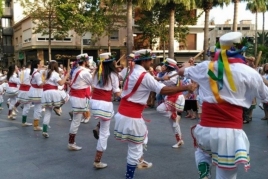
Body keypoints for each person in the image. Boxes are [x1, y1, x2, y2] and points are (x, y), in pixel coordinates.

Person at [178, 32, 268, 179]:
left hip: (205, 129)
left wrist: (189, 63)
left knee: (202, 151)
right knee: (226, 173)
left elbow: (181, 71)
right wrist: (261, 81)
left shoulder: (206, 66)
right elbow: (266, 97)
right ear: (242, 49)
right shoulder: (250, 73)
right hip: (230, 133)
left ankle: (204, 170)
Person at [114, 49, 196, 179]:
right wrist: (185, 87)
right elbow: (162, 90)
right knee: (134, 149)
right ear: (145, 61)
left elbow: (154, 81)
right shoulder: (144, 76)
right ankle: (129, 175)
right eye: (150, 59)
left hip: (122, 113)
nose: (152, 62)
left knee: (142, 138)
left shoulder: (128, 72)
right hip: (132, 116)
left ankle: (139, 160)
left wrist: (161, 78)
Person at [90, 52, 121, 169]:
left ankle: (98, 125)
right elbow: (117, 92)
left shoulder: (96, 73)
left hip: (94, 103)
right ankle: (97, 161)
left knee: (105, 119)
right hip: (105, 104)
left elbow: (93, 87)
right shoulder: (113, 74)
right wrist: (127, 94)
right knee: (105, 133)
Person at [156, 58, 185, 148]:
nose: (162, 66)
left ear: (168, 66)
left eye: (164, 65)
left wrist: (160, 79)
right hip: (171, 96)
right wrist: (160, 78)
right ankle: (179, 140)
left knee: (159, 109)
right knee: (173, 123)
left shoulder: (173, 74)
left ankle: (175, 115)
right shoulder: (168, 74)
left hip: (176, 97)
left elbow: (166, 83)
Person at [68, 53, 92, 151]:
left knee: (76, 121)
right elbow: (93, 83)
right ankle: (71, 143)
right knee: (76, 121)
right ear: (85, 61)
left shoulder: (76, 70)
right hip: (79, 97)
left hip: (75, 96)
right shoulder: (85, 72)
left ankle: (71, 142)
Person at [41, 60, 69, 138]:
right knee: (66, 98)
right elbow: (60, 83)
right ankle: (57, 107)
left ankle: (44, 130)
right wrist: (66, 76)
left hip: (45, 93)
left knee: (47, 113)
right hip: (53, 92)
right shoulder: (55, 74)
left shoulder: (45, 72)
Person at [28, 59, 45, 131]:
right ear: (38, 64)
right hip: (37, 92)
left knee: (37, 108)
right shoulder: (37, 73)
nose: (42, 64)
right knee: (38, 109)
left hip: (34, 91)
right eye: (41, 63)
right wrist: (46, 81)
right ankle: (36, 126)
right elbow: (40, 84)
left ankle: (36, 125)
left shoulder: (33, 71)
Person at [17, 61, 33, 126]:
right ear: (30, 66)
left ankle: (23, 121)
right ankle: (24, 122)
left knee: (26, 106)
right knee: (27, 106)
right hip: (27, 90)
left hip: (21, 90)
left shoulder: (22, 71)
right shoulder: (30, 72)